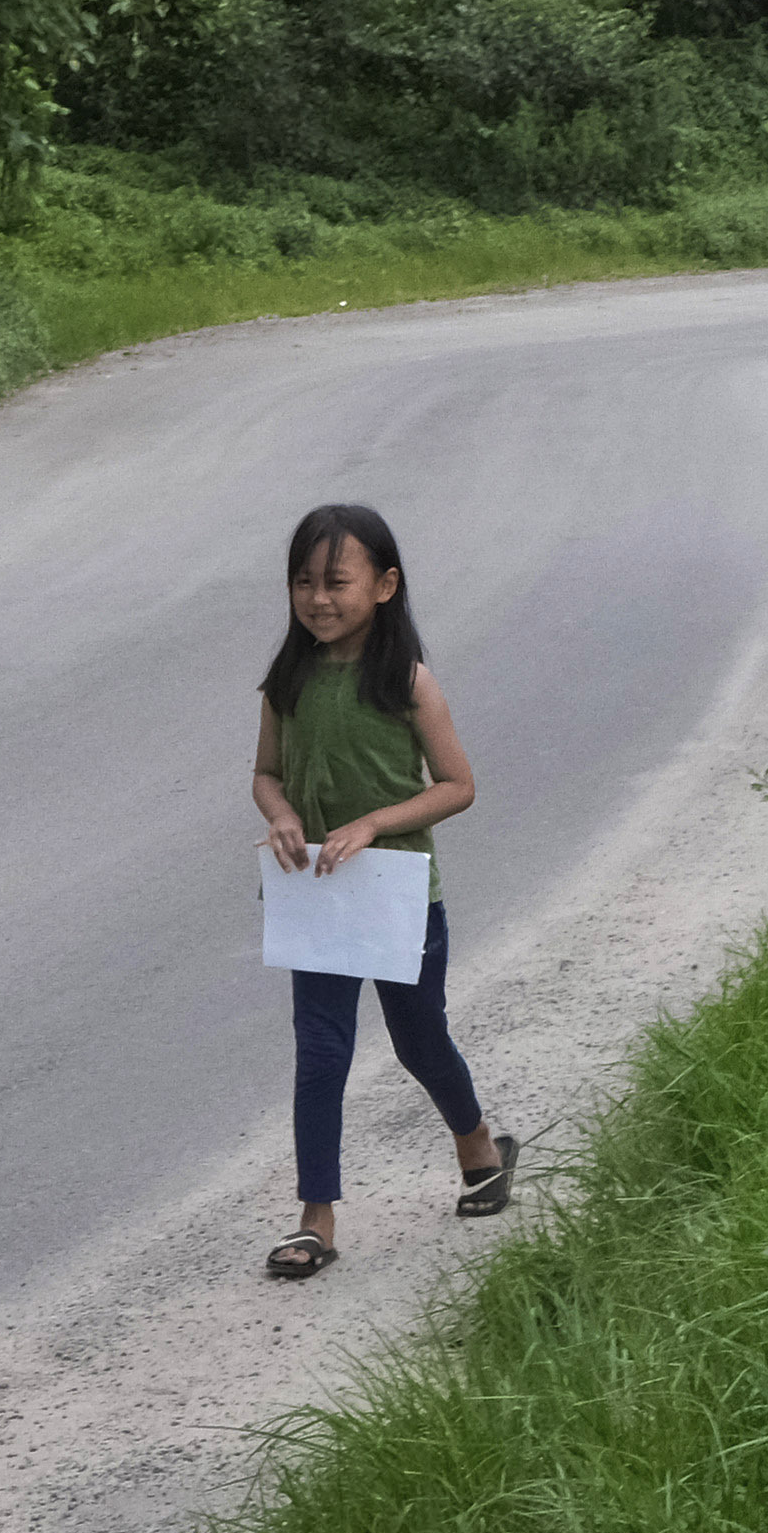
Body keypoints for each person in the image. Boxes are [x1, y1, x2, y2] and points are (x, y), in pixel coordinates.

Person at [253, 501, 512, 1278]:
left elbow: (457, 786)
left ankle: (477, 1145)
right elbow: (265, 773)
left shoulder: (407, 681)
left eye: (337, 581)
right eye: (304, 582)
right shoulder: (285, 682)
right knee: (321, 1050)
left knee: (418, 1038)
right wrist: (283, 813)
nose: (318, 599)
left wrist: (372, 822)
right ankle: (316, 1220)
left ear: (385, 585)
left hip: (400, 895)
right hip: (318, 895)